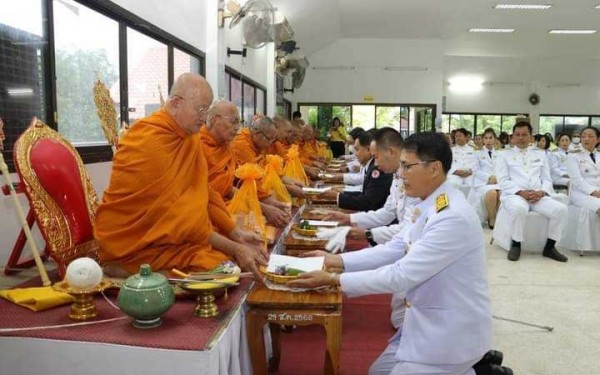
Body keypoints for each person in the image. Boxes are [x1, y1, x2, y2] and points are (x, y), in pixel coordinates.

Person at [290, 132, 504, 375]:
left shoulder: (451, 216)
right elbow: (394, 248)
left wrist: (335, 280)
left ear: (434, 169)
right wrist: (335, 260)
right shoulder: (429, 204)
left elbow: (401, 274)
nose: (400, 174)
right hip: (423, 322)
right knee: (378, 371)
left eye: (407, 166)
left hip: (449, 333)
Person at [95, 73, 266, 277]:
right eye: (200, 110)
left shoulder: (189, 137)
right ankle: (124, 267)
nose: (204, 118)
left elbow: (203, 191)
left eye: (207, 110)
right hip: (133, 244)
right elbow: (181, 218)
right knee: (218, 269)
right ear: (176, 103)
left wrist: (234, 232)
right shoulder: (150, 140)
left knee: (221, 264)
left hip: (171, 237)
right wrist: (235, 247)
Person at [495, 121, 568, 262]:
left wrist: (541, 192)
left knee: (561, 210)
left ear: (531, 137)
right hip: (515, 195)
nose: (521, 138)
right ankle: (516, 244)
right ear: (512, 137)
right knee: (518, 209)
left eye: (524, 135)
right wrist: (521, 192)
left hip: (538, 196)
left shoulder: (541, 155)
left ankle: (550, 247)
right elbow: (503, 180)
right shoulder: (503, 155)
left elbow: (547, 179)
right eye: (517, 135)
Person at [231, 116, 292, 227]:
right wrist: (268, 205)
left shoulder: (258, 145)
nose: (271, 144)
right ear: (257, 133)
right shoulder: (241, 144)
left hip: (251, 197)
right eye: (270, 139)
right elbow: (249, 180)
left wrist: (272, 203)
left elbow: (264, 175)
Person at [318, 131, 393, 211]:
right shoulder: (370, 165)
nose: (356, 154)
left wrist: (339, 195)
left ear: (368, 149)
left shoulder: (376, 168)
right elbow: (364, 191)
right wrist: (341, 192)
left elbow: (367, 201)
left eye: (357, 149)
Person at [200, 99, 240, 200]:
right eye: (233, 121)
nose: (237, 128)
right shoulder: (198, 144)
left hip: (226, 202)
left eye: (239, 123)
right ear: (215, 120)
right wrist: (263, 207)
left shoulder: (226, 146)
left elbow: (236, 178)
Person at [566, 126, 600, 215]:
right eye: (583, 136)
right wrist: (595, 192)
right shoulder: (573, 155)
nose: (586, 139)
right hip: (581, 194)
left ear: (598, 139)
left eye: (590, 136)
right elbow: (577, 180)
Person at [471, 128, 501, 229]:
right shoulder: (477, 153)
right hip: (482, 183)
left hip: (497, 181)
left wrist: (497, 178)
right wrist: (489, 178)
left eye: (491, 138)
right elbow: (475, 170)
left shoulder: (500, 154)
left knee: (501, 192)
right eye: (486, 138)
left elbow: (502, 168)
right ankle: (491, 218)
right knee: (492, 193)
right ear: (483, 140)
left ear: (495, 139)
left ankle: (498, 218)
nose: (488, 140)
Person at [448, 128, 476, 195]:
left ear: (466, 137)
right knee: (451, 183)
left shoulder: (473, 150)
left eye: (460, 136)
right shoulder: (450, 151)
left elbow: (476, 164)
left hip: (470, 174)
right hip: (455, 175)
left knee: (474, 186)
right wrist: (455, 171)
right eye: (456, 136)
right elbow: (447, 164)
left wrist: (470, 171)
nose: (458, 138)